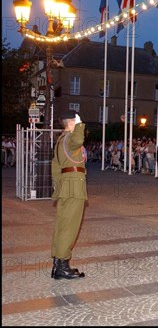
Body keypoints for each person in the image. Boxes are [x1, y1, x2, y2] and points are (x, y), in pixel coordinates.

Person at [50, 110, 87, 279]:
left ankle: (57, 265)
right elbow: (79, 139)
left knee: (62, 226)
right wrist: (79, 124)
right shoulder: (70, 139)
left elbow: (55, 167)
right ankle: (63, 265)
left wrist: (59, 187)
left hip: (66, 186)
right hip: (74, 187)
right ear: (71, 123)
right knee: (70, 228)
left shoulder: (60, 141)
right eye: (75, 122)